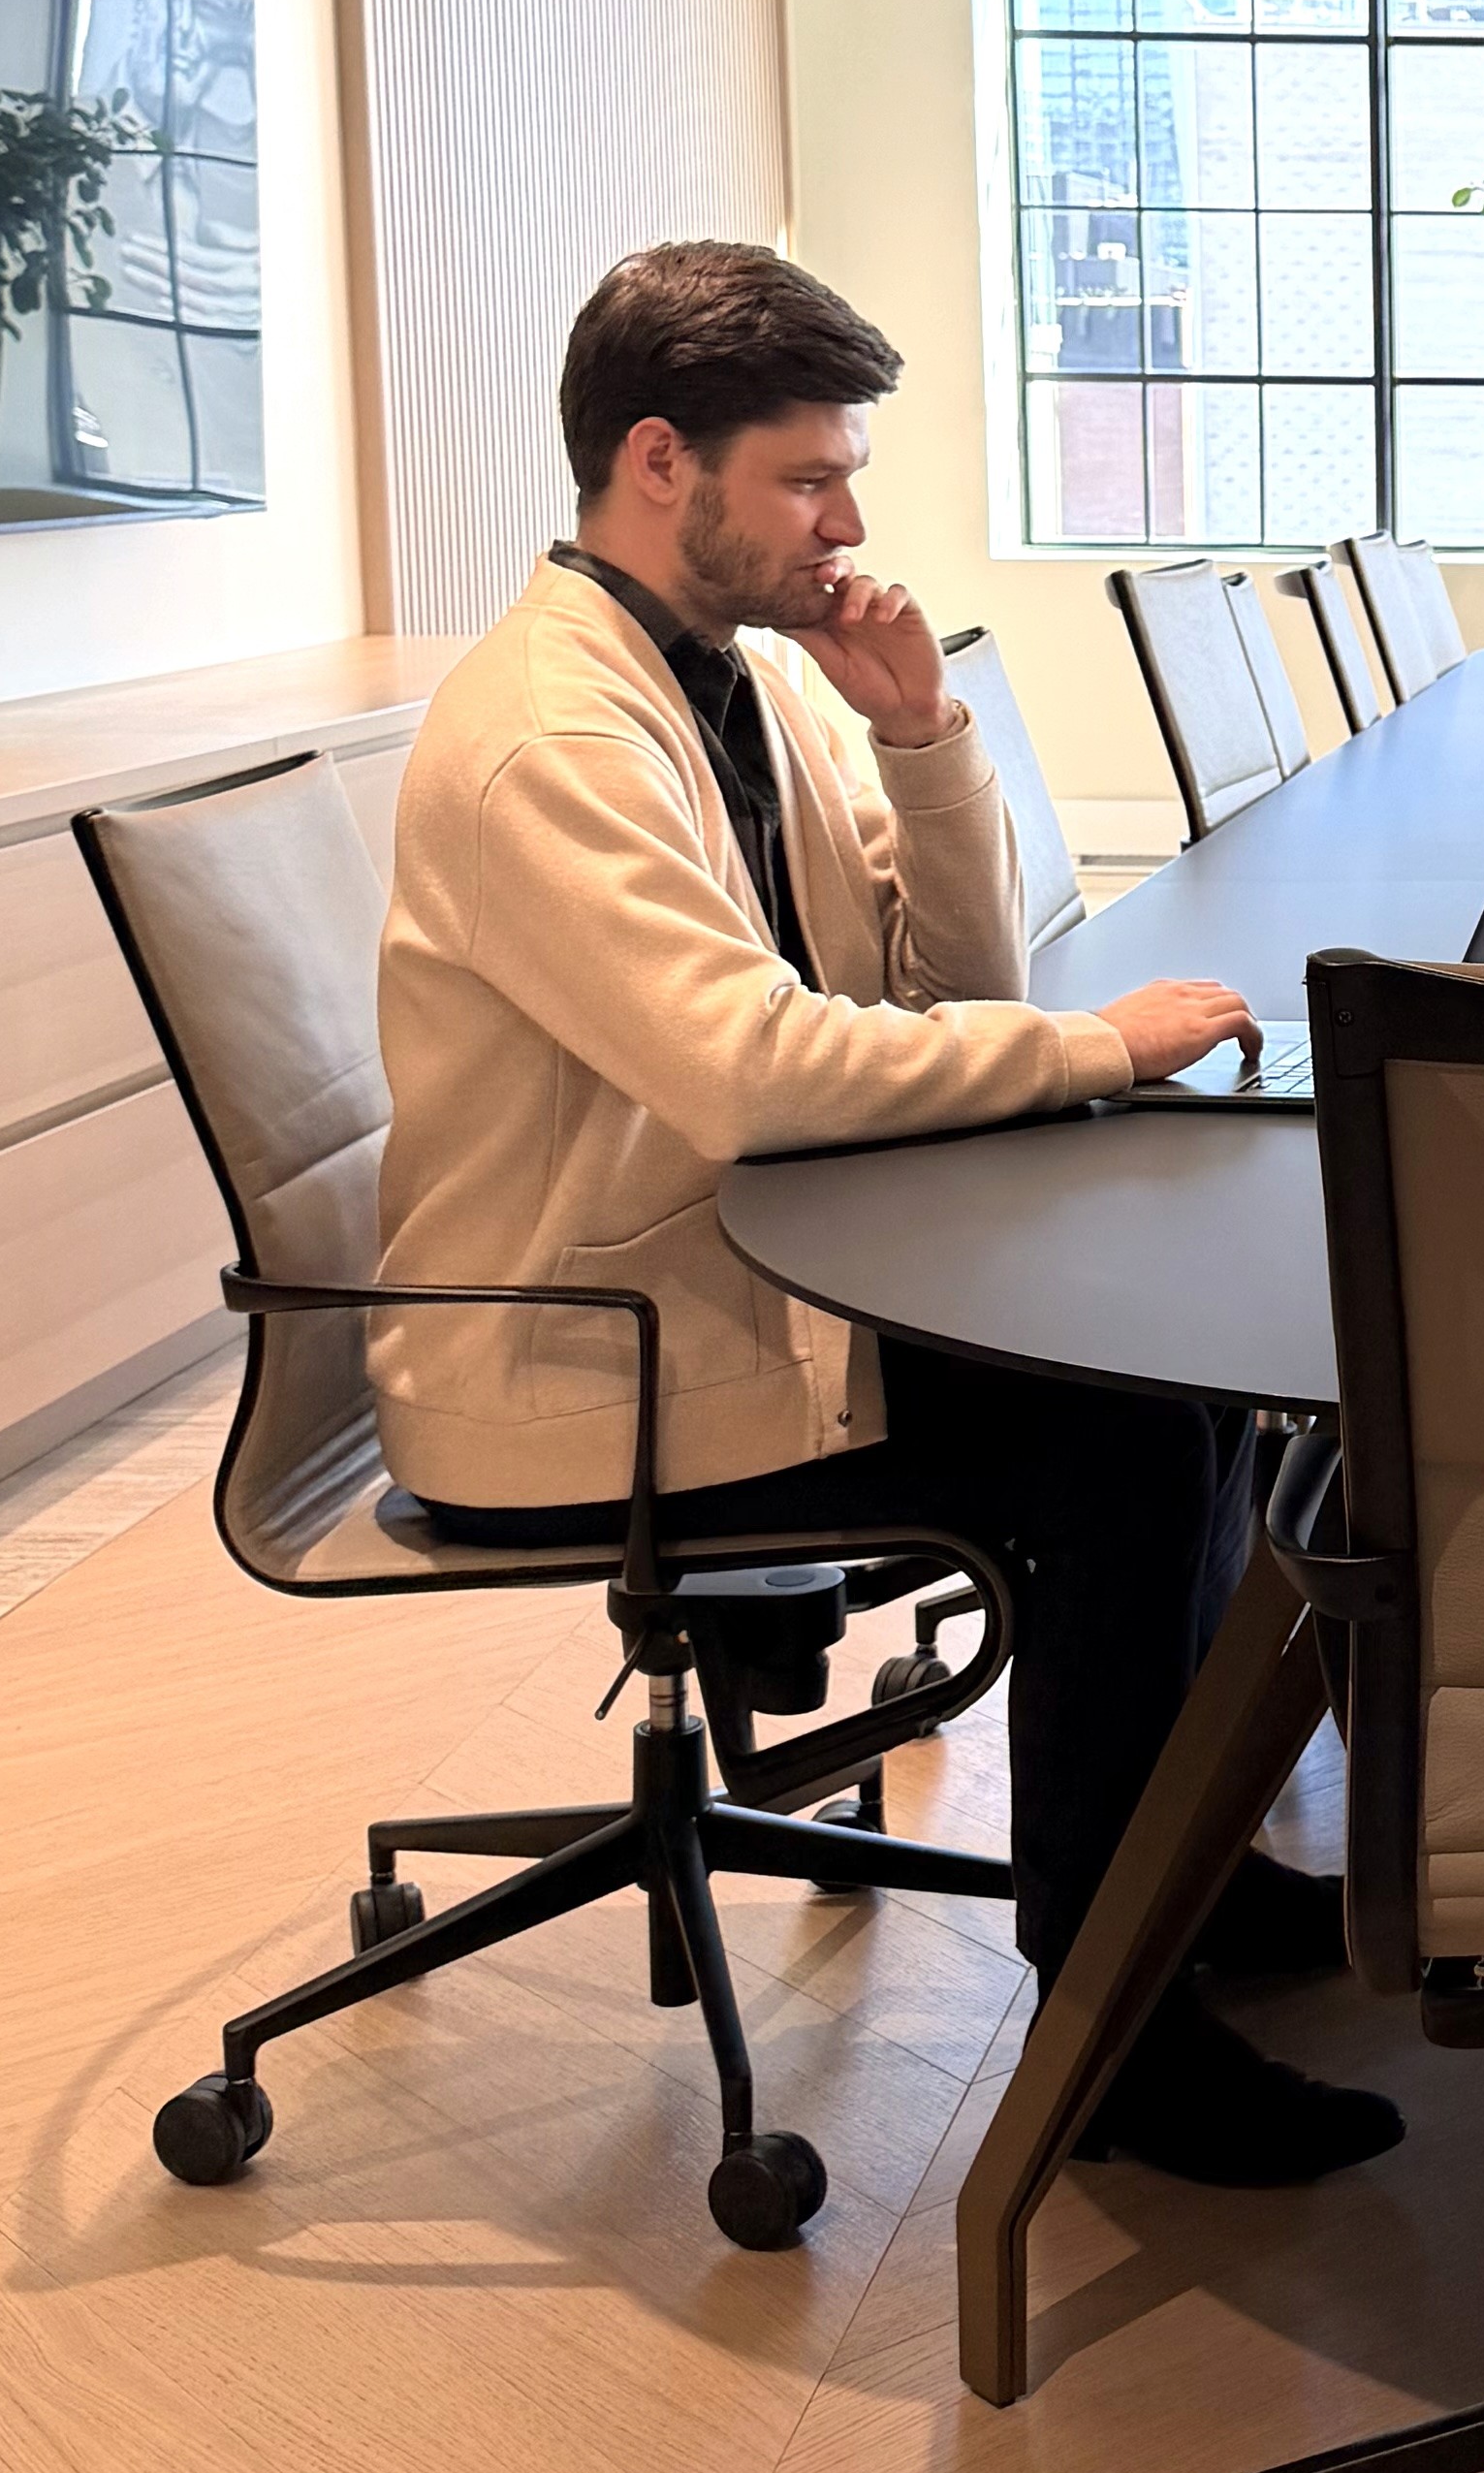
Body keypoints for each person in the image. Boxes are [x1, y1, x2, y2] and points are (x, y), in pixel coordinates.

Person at [373, 238, 1400, 2186]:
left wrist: (923, 737)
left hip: (746, 1274)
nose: (850, 520)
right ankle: (1117, 2031)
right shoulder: (554, 736)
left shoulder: (745, 680)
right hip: (591, 1353)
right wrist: (1096, 1055)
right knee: (1131, 1428)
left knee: (1175, 1404)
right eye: (809, 477)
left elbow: (951, 993)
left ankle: (1177, 1884)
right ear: (658, 463)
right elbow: (764, 1068)